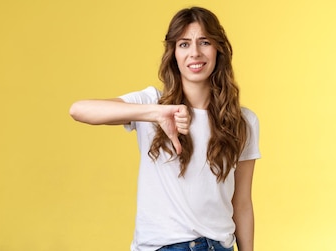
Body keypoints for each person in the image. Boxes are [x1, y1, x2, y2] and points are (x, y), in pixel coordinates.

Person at [69, 7, 260, 251]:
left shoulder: (243, 121)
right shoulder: (151, 102)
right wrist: (156, 112)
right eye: (184, 44)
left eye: (204, 42)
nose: (195, 53)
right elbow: (79, 110)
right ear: (173, 53)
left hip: (218, 246)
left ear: (218, 50)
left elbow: (242, 203)